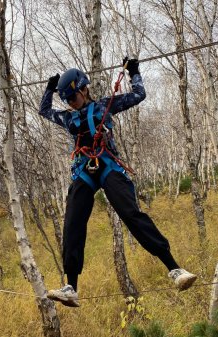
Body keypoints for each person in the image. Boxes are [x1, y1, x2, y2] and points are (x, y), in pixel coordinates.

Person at [38, 59, 196, 307]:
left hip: (108, 165)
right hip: (83, 171)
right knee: (72, 223)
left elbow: (139, 94)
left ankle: (175, 269)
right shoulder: (67, 118)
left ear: (84, 89)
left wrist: (133, 72)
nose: (70, 103)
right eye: (66, 100)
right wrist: (49, 89)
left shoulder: (104, 106)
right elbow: (44, 111)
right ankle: (71, 286)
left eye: (73, 98)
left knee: (130, 213)